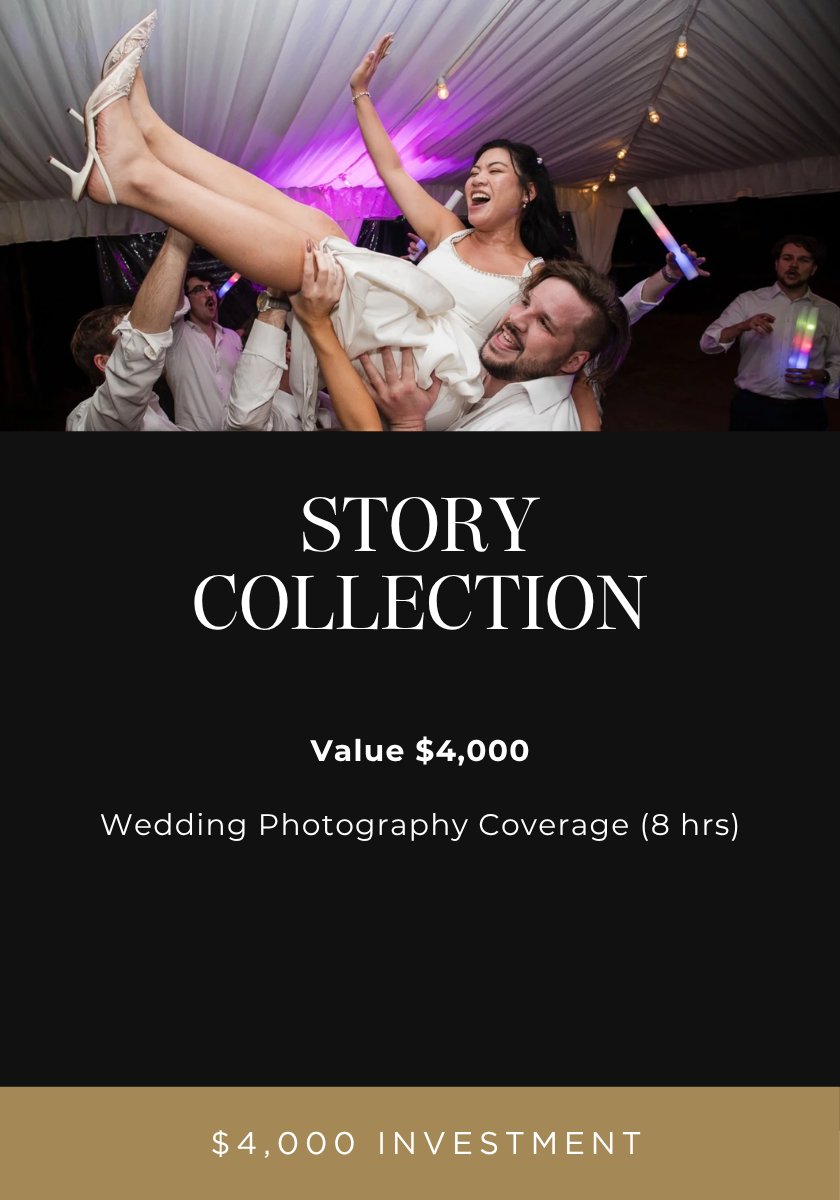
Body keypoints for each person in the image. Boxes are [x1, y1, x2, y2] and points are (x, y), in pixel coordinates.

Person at [54, 36, 684, 430]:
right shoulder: (448, 232)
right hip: (396, 336)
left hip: (428, 382)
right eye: (475, 169)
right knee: (322, 231)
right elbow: (393, 171)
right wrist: (360, 94)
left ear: (529, 193)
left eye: (497, 171)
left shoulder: (540, 279)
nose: (477, 177)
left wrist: (588, 420)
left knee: (319, 251)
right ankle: (152, 139)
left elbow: (582, 352)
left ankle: (136, 173)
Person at [284, 254, 630, 432]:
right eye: (525, 302)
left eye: (544, 323)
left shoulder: (529, 427)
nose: (516, 319)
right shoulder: (516, 367)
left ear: (573, 361)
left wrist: (407, 425)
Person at [701, 234, 839, 431]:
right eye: (787, 258)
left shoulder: (830, 312)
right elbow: (708, 345)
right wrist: (742, 326)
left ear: (814, 269)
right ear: (776, 264)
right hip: (752, 409)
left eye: (803, 260)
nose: (794, 265)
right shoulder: (748, 301)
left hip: (806, 413)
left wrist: (822, 376)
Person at [66, 226, 193, 431]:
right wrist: (180, 236)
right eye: (126, 337)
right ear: (104, 362)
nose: (141, 340)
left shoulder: (150, 406)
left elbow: (170, 311)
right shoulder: (93, 421)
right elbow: (140, 349)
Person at [165, 270, 243, 430]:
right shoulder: (178, 334)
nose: (208, 293)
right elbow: (174, 291)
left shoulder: (232, 337)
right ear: (186, 299)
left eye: (211, 288)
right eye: (199, 289)